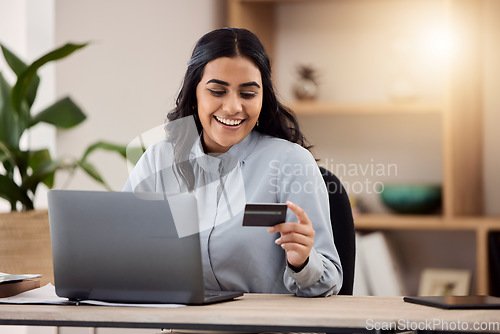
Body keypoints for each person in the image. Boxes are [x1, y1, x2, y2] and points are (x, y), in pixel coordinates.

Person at [123, 27, 342, 297]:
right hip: (182, 324)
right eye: (217, 91)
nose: (233, 107)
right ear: (194, 95)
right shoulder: (159, 160)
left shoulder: (291, 163)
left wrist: (303, 262)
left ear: (263, 99)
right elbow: (121, 253)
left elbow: (329, 282)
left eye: (248, 94)